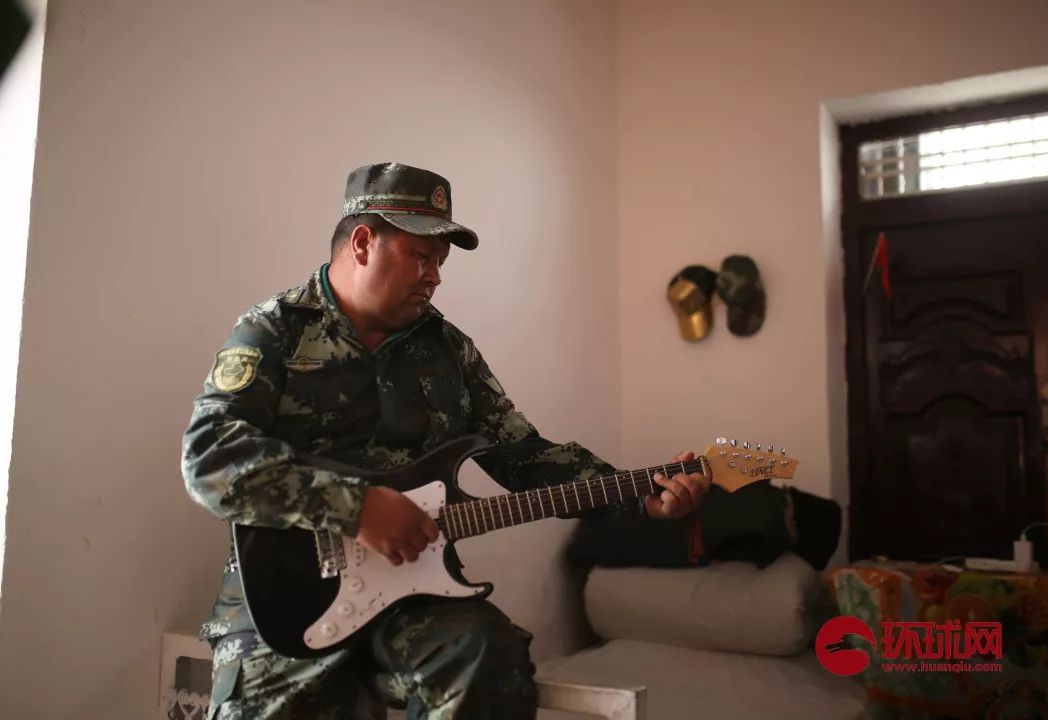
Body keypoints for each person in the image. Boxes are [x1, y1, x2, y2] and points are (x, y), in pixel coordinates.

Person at [181, 162, 710, 720]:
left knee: (491, 657)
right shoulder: (275, 329)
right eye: (421, 256)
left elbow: (524, 455)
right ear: (362, 243)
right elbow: (209, 456)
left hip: (415, 595)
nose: (434, 276)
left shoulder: (449, 349)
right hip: (282, 602)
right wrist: (357, 508)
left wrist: (637, 494)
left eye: (440, 262)